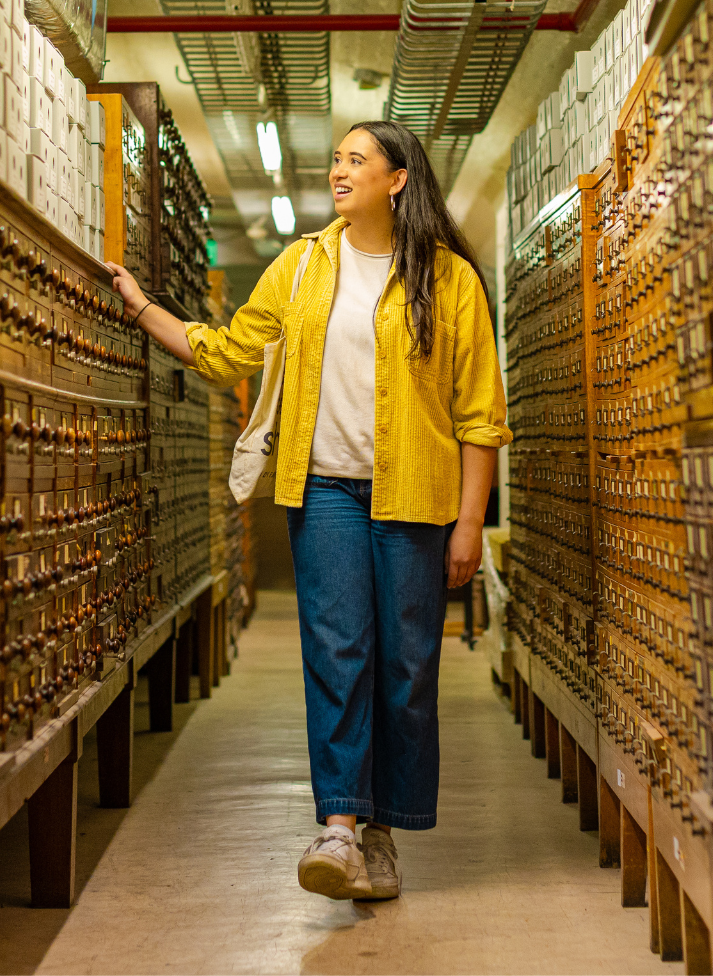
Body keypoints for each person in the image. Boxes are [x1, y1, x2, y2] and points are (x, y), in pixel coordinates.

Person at [106, 119, 510, 901]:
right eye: (336, 159)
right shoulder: (300, 268)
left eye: (357, 160)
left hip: (417, 497)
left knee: (405, 668)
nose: (339, 171)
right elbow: (228, 351)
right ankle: (340, 830)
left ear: (397, 180)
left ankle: (385, 832)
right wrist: (143, 309)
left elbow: (481, 415)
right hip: (322, 488)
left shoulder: (449, 280)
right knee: (337, 653)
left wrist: (470, 521)